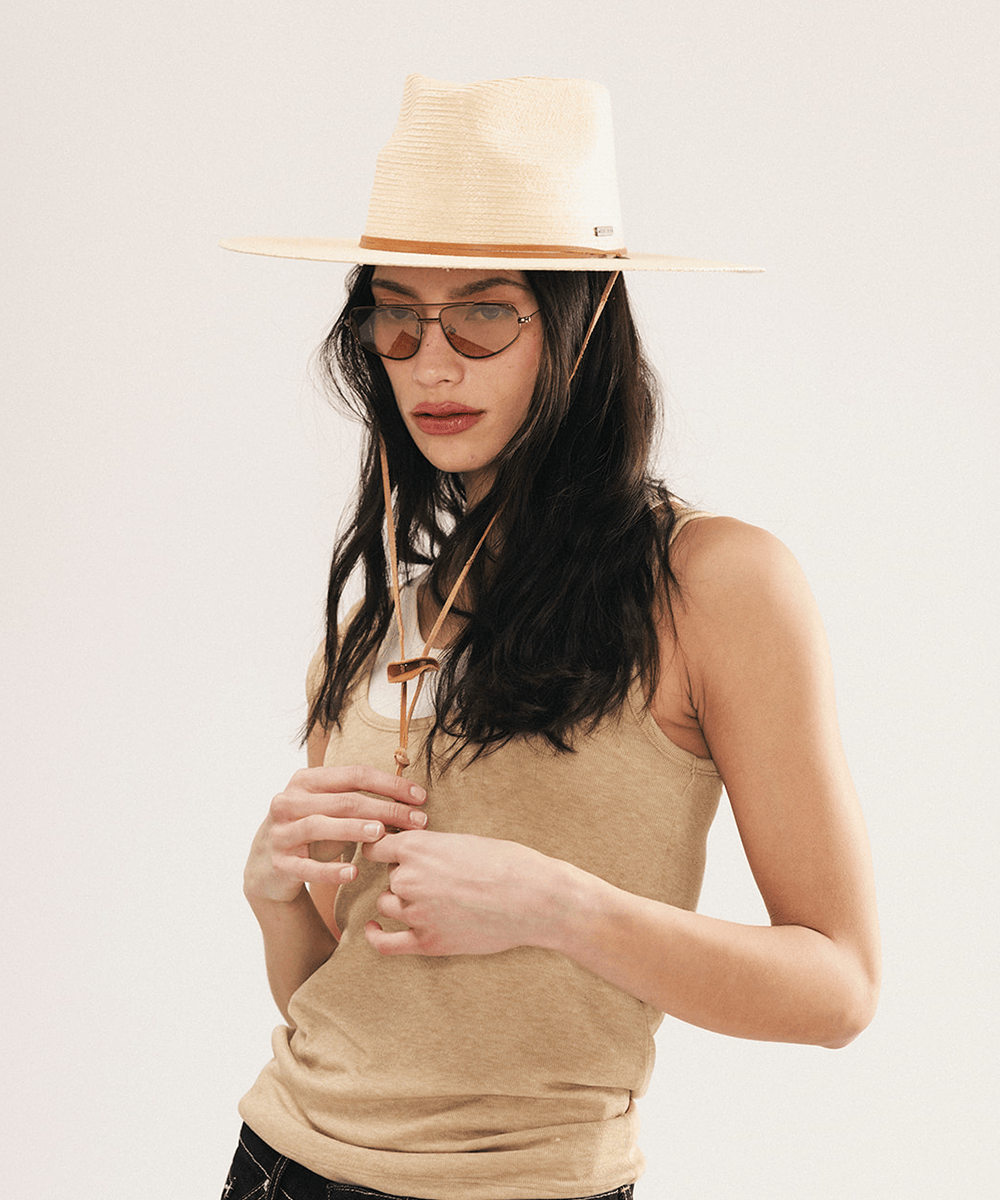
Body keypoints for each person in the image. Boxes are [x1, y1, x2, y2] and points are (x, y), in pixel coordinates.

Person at [219, 75, 880, 1200]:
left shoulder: (713, 584)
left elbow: (838, 989)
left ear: (578, 321)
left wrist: (562, 907)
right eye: (397, 314)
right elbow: (358, 1006)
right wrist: (275, 896)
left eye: (484, 313)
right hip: (277, 1164)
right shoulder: (380, 623)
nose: (431, 364)